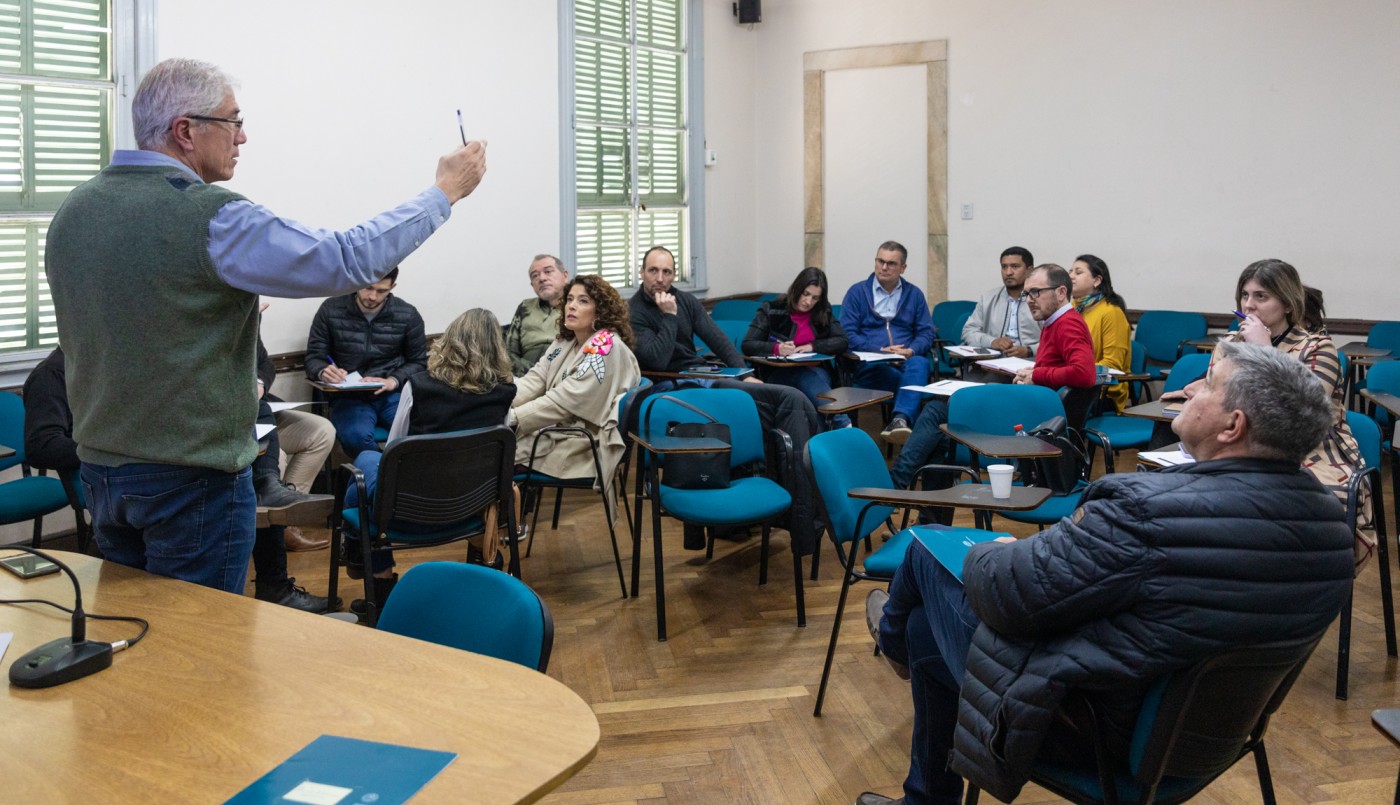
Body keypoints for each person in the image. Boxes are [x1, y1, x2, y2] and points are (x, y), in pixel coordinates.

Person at [45, 57, 487, 593]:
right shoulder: (211, 216)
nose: (244, 136)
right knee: (203, 646)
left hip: (102, 475)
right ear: (186, 131)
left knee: (138, 639)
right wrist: (443, 193)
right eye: (233, 121)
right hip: (191, 482)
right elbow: (344, 259)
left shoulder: (75, 211)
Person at [858, 341, 1355, 805]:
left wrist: (996, 550)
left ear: (1232, 426)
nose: (1187, 390)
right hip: (1206, 738)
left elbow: (1008, 597)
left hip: (1090, 730)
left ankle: (891, 637)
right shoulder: (1334, 531)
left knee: (927, 551)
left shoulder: (1147, 509)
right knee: (928, 632)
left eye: (1208, 384)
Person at [22, 346, 334, 613]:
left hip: (143, 467)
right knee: (182, 604)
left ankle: (274, 582)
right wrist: (111, 445)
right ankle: (273, 582)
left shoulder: (116, 365)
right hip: (109, 476)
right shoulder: (52, 374)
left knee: (252, 479)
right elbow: (41, 446)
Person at [1163, 258, 1375, 572]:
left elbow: (1299, 414)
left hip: (1312, 452)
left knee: (1280, 513)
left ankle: (1288, 591)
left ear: (1287, 304)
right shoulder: (1231, 346)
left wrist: (1265, 351)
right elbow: (1219, 407)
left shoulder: (1318, 348)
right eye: (1244, 295)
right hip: (1240, 447)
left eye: (1261, 296)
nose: (1249, 305)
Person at [344, 309, 518, 613]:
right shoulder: (505, 391)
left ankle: (376, 580)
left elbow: (397, 448)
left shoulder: (418, 384)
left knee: (365, 460)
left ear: (448, 341)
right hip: (469, 508)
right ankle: (479, 576)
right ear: (497, 347)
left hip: (406, 510)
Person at [512, 274, 642, 493]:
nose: (571, 306)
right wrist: (497, 402)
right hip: (559, 432)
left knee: (495, 452)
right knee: (495, 445)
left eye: (583, 301)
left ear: (600, 311)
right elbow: (535, 380)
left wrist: (511, 417)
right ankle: (507, 521)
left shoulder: (605, 345)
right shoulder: (565, 340)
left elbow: (563, 401)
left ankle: (504, 523)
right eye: (570, 299)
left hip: (585, 445)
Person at [304, 267, 428, 459]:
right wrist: (323, 371)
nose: (372, 296)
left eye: (381, 291)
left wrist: (393, 381)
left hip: (391, 394)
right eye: (368, 288)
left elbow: (419, 362)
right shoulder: (331, 310)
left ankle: (391, 476)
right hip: (349, 397)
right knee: (357, 437)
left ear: (392, 287)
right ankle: (381, 475)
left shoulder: (408, 315)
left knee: (420, 430)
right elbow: (314, 357)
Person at [839, 241, 935, 443]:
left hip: (906, 361)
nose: (884, 267)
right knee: (913, 386)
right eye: (880, 261)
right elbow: (847, 333)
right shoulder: (857, 293)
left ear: (903, 268)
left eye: (891, 263)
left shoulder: (914, 294)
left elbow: (926, 332)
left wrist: (911, 350)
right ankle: (908, 428)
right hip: (871, 364)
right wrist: (879, 350)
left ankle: (899, 419)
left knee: (920, 363)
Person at [741, 267, 850, 427]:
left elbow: (842, 341)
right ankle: (840, 422)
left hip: (816, 372)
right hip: (778, 373)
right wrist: (777, 349)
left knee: (811, 383)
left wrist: (812, 346)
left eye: (815, 298)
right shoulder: (772, 309)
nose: (808, 302)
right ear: (796, 288)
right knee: (803, 377)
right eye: (805, 294)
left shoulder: (823, 311)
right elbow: (748, 344)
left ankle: (816, 441)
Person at [258, 334, 336, 552]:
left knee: (322, 431)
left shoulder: (246, 312)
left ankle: (288, 522)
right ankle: (269, 535)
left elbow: (264, 362)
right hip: (231, 416)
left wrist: (259, 383)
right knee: (276, 457)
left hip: (261, 407)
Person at [628, 245, 751, 375]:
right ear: (642, 273)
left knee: (761, 389)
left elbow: (717, 339)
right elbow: (658, 361)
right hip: (667, 381)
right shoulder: (633, 311)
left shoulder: (686, 300)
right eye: (653, 270)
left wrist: (745, 375)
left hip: (697, 371)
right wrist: (669, 315)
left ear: (674, 275)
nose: (659, 279)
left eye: (666, 272)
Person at [1068, 254, 1131, 413]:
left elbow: (1112, 364)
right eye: (1070, 271)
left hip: (1102, 390)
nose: (1071, 276)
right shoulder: (1071, 310)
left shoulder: (1111, 312)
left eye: (1078, 272)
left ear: (1096, 280)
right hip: (1074, 381)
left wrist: (1071, 372)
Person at [960, 246, 1041, 359]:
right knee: (974, 376)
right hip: (994, 363)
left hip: (1032, 366)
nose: (1008, 272)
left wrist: (1029, 350)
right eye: (1004, 267)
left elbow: (1057, 341)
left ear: (1030, 270)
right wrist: (992, 342)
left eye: (1015, 266)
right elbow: (968, 332)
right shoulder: (988, 298)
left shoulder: (1042, 299)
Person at [506, 254, 569, 376]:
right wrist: (532, 373)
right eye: (535, 276)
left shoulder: (576, 307)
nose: (542, 278)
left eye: (548, 271)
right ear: (532, 285)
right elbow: (508, 353)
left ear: (565, 276)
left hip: (561, 374)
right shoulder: (525, 307)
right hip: (525, 375)